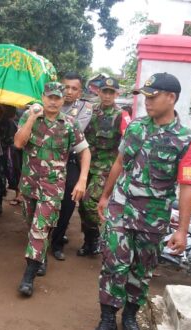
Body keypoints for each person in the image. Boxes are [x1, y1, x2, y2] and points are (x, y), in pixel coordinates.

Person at [87, 73, 191, 330]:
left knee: (141, 270)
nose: (147, 102)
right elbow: (119, 162)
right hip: (120, 207)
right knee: (114, 263)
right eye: (146, 97)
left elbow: (188, 187)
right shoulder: (136, 127)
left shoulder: (187, 140)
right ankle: (106, 320)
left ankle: (129, 316)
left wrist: (182, 230)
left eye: (153, 97)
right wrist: (105, 196)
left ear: (171, 98)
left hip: (153, 217)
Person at [14, 82, 91, 297]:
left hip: (53, 185)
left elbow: (85, 152)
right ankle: (41, 254)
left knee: (40, 226)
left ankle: (28, 277)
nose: (54, 101)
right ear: (43, 97)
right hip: (29, 183)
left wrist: (82, 179)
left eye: (58, 97)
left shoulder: (69, 124)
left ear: (63, 99)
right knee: (32, 224)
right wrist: (31, 117)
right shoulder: (30, 118)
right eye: (50, 97)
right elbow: (19, 143)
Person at [76, 77, 130, 258]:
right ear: (98, 92)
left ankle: (98, 236)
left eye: (111, 92)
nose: (107, 96)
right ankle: (89, 241)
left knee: (89, 202)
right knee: (82, 205)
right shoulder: (89, 110)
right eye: (104, 91)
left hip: (106, 167)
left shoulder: (121, 115)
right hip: (86, 163)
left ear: (117, 94)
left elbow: (129, 140)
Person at [49, 72, 94, 261]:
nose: (68, 91)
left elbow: (72, 131)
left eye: (74, 88)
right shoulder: (49, 102)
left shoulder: (85, 107)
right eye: (65, 87)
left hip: (70, 160)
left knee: (67, 203)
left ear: (79, 92)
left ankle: (57, 242)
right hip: (47, 160)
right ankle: (42, 237)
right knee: (45, 202)